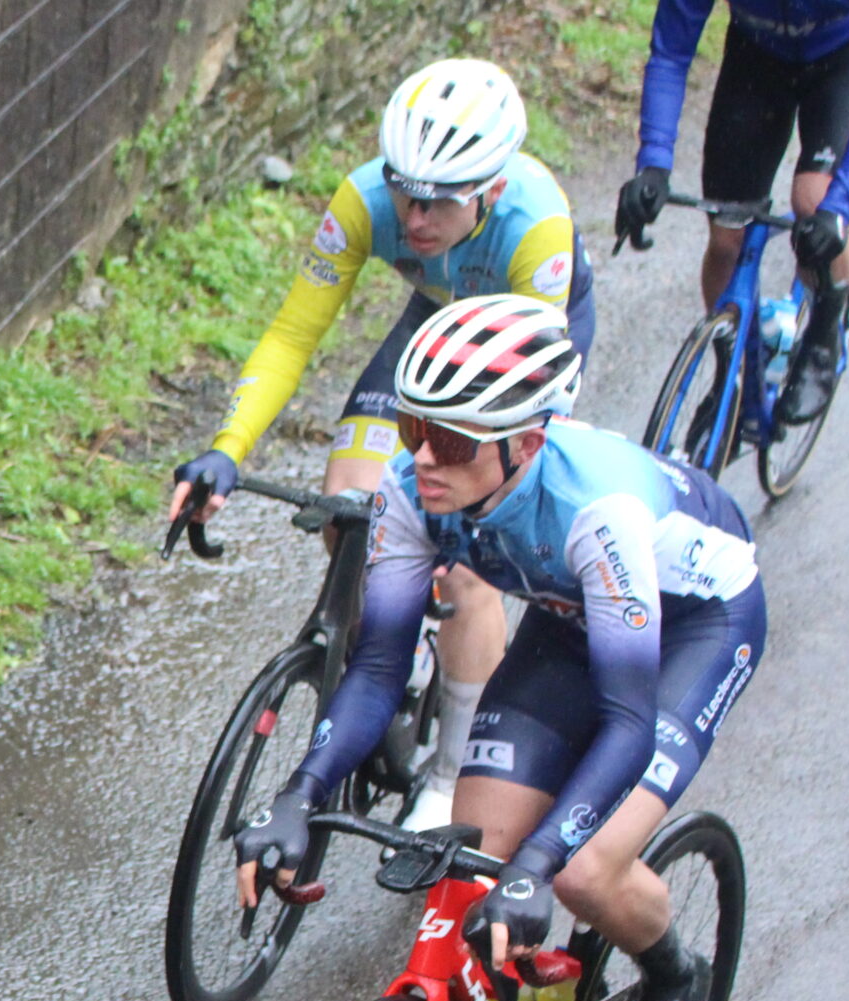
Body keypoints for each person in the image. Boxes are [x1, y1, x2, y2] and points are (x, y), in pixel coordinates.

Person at [233, 296, 765, 1001]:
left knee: (582, 870)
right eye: (414, 428)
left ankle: (674, 977)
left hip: (694, 629)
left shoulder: (600, 512)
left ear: (528, 442)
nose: (423, 457)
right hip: (569, 616)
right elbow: (378, 668)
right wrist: (300, 793)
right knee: (475, 859)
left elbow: (628, 724)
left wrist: (541, 863)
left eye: (450, 441)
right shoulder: (411, 488)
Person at [170, 59, 595, 832]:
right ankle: (403, 655)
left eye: (440, 201)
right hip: (429, 329)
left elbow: (529, 406)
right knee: (351, 514)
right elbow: (293, 335)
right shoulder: (364, 199)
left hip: (514, 351)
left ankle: (452, 772)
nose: (415, 217)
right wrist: (228, 449)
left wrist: (463, 512)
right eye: (405, 192)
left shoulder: (537, 226)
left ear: (492, 190)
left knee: (466, 564)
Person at [617, 0, 849, 423]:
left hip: (843, 59)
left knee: (813, 202)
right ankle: (731, 378)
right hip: (756, 57)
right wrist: (653, 165)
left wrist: (838, 207)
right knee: (727, 236)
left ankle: (825, 328)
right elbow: (670, 53)